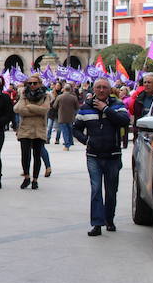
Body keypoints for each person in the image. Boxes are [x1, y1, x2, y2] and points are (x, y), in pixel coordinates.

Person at [73, 78, 130, 236]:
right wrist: (86, 140)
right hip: (94, 155)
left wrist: (106, 109)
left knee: (111, 191)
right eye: (98, 87)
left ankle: (109, 219)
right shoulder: (85, 108)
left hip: (113, 155)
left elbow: (124, 121)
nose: (101, 90)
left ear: (109, 89)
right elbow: (75, 129)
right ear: (94, 89)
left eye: (105, 87)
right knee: (96, 189)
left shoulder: (117, 105)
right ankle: (97, 224)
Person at [14, 75, 49, 190]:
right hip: (25, 129)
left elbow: (45, 110)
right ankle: (27, 177)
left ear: (40, 84)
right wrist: (36, 110)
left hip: (39, 129)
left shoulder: (45, 96)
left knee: (37, 155)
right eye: (30, 83)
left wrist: (29, 107)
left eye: (35, 83)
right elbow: (18, 109)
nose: (32, 85)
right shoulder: (24, 95)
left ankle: (35, 179)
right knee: (25, 155)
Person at [55, 84, 80, 151]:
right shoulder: (74, 97)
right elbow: (77, 107)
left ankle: (67, 145)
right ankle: (71, 141)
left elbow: (55, 106)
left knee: (65, 131)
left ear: (64, 89)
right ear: (70, 89)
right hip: (71, 116)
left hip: (62, 116)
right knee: (70, 130)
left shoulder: (59, 97)